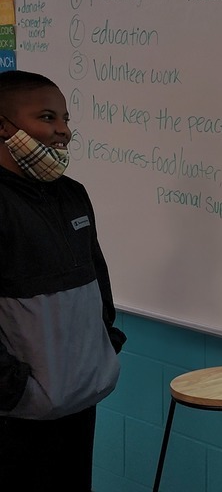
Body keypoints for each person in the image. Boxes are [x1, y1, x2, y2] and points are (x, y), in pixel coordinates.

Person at [0, 70, 126, 490]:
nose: (64, 132)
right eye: (47, 118)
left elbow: (97, 280)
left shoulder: (72, 194)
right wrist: (14, 388)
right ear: (3, 126)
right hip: (16, 413)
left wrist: (106, 343)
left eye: (66, 119)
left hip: (77, 397)